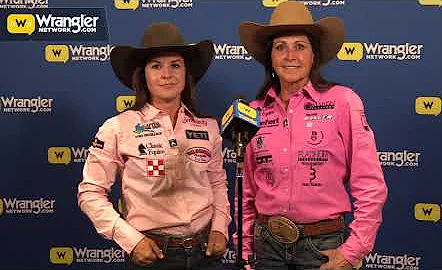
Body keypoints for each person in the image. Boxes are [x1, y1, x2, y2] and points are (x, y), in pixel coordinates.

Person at [234, 1, 388, 269]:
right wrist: (245, 247)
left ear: (313, 56)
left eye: (300, 46)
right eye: (280, 47)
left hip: (324, 246)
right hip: (266, 246)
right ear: (270, 57)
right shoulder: (253, 112)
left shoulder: (343, 101)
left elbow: (370, 183)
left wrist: (353, 251)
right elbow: (247, 190)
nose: (290, 55)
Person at [77, 22, 231, 270]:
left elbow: (217, 184)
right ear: (143, 75)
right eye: (156, 66)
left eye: (175, 65)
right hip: (154, 254)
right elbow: (90, 193)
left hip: (206, 254)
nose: (166, 74)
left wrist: (220, 228)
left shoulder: (208, 127)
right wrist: (132, 241)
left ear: (186, 73)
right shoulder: (118, 127)